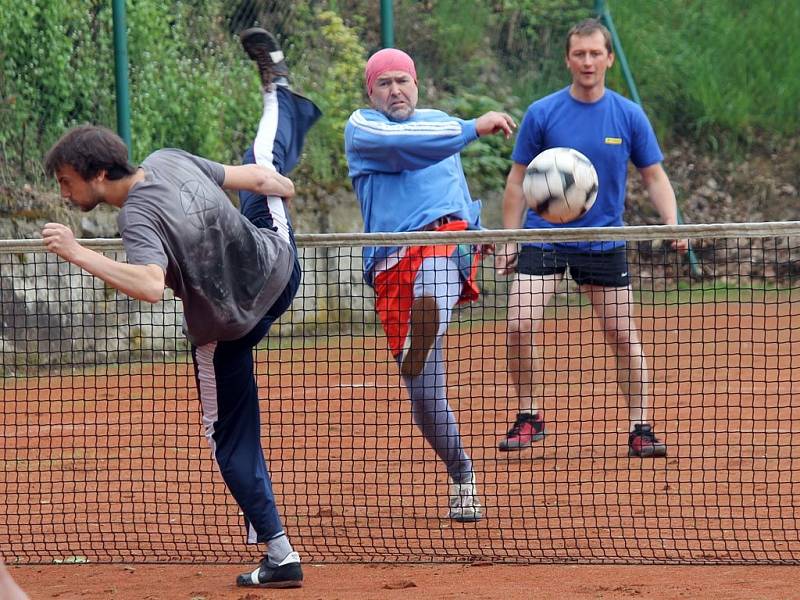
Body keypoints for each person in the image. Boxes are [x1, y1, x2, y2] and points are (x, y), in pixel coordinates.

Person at [41, 28, 320, 589]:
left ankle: (280, 554)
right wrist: (277, 188)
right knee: (263, 159)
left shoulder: (134, 218)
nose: (65, 194)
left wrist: (76, 252)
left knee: (230, 436)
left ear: (99, 175)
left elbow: (147, 286)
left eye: (68, 183)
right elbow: (259, 179)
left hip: (229, 325)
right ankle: (279, 94)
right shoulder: (167, 159)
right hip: (279, 274)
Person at [495, 18, 688, 457]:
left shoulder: (627, 114)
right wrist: (509, 238)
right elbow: (516, 180)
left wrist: (674, 225)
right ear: (568, 59)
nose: (587, 61)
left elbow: (654, 176)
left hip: (603, 241)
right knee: (519, 324)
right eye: (579, 54)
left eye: (595, 53)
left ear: (609, 59)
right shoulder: (542, 113)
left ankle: (641, 426)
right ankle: (529, 416)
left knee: (622, 334)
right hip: (544, 238)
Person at [344, 48, 515, 521]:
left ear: (417, 85)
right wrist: (471, 127)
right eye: (385, 83)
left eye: (403, 81)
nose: (395, 90)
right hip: (391, 262)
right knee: (423, 394)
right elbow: (409, 148)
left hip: (445, 244)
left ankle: (429, 307)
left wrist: (488, 239)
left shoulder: (440, 122)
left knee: (435, 267)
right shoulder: (363, 128)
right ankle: (463, 475)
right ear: (370, 92)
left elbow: (456, 195)